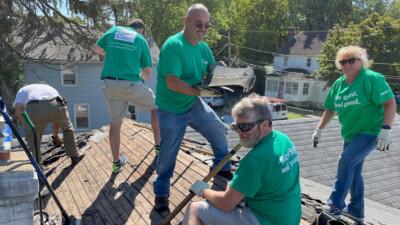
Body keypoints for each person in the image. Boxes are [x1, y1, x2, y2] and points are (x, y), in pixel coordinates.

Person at [153, 3, 232, 211]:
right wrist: (202, 92)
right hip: (170, 108)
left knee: (218, 128)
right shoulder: (174, 45)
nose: (203, 29)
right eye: (199, 24)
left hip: (192, 102)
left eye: (207, 25)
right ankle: (161, 192)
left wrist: (230, 78)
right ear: (186, 22)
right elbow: (173, 83)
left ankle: (221, 167)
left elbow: (213, 71)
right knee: (169, 152)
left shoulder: (203, 47)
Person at [183, 93, 302, 225]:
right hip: (289, 217)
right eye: (236, 126)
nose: (240, 132)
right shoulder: (283, 140)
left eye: (245, 127)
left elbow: (226, 203)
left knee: (194, 209)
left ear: (264, 125)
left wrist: (203, 191)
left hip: (266, 220)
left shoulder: (255, 160)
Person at [312, 45, 396, 223]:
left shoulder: (372, 78)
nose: (347, 64)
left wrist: (386, 130)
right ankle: (356, 210)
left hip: (372, 132)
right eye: (343, 62)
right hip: (350, 133)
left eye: (351, 60)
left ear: (361, 62)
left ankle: (335, 205)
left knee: (346, 161)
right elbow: (330, 109)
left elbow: (390, 103)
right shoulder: (339, 84)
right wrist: (319, 129)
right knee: (353, 170)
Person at [93, 19, 161, 173]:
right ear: (141, 30)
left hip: (109, 84)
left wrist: (109, 51)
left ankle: (116, 163)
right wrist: (139, 79)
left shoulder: (114, 31)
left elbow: (97, 48)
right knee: (157, 107)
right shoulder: (141, 40)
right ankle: (159, 148)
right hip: (131, 84)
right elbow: (147, 72)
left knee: (115, 123)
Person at [13, 83, 84, 166]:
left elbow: (18, 111)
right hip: (56, 104)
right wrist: (56, 137)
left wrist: (28, 126)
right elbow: (55, 121)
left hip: (35, 108)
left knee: (34, 138)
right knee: (67, 128)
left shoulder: (22, 91)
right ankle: (74, 157)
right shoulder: (49, 88)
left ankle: (38, 170)